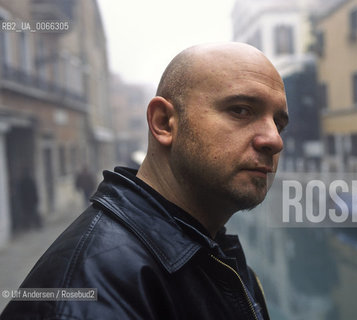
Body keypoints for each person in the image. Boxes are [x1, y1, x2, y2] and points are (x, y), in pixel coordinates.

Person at [0, 42, 288, 320]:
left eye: (279, 123)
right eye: (240, 110)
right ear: (163, 122)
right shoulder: (85, 294)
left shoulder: (210, 250)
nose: (274, 140)